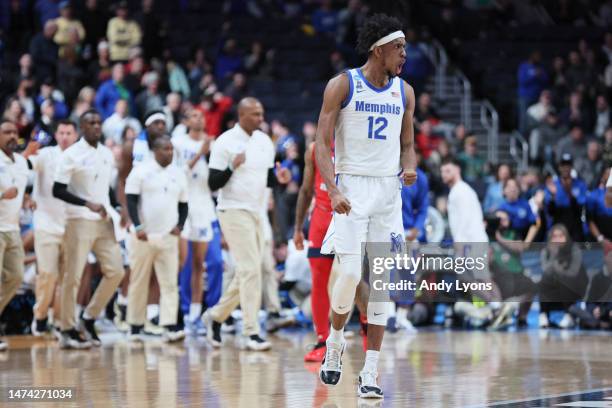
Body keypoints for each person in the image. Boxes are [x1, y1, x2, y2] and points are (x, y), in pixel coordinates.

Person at [315, 14, 417, 399]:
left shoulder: (404, 92)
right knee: (345, 276)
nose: (404, 54)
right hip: (351, 189)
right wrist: (332, 189)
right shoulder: (343, 85)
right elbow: (321, 144)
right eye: (399, 47)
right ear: (379, 49)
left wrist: (409, 166)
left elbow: (408, 145)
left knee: (381, 288)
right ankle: (335, 342)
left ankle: (370, 371)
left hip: (388, 195)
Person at [202, 97, 290, 351]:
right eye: (255, 114)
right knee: (250, 269)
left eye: (261, 113)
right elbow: (212, 183)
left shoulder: (264, 141)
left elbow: (267, 178)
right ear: (241, 115)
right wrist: (231, 166)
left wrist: (280, 179)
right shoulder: (224, 142)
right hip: (232, 209)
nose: (260, 119)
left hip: (257, 211)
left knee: (250, 270)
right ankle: (251, 331)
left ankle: (216, 316)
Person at [52, 109, 125, 349]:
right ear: (82, 128)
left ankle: (89, 317)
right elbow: (58, 190)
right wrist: (86, 203)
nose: (95, 126)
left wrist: (116, 206)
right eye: (90, 123)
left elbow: (108, 187)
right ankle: (66, 328)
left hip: (104, 220)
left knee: (116, 271)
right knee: (72, 276)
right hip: (78, 219)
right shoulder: (71, 154)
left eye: (98, 122)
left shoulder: (105, 153)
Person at [125, 135, 188, 343]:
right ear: (154, 150)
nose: (169, 152)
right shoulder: (141, 171)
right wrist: (138, 226)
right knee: (139, 280)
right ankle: (135, 325)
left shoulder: (178, 174)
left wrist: (180, 226)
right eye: (165, 149)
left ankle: (169, 326)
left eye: (171, 149)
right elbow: (131, 200)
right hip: (145, 236)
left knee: (169, 282)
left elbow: (184, 204)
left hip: (168, 236)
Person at [25, 120, 79, 336]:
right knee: (47, 273)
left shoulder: (82, 157)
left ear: (75, 136)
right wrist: (26, 195)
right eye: (62, 132)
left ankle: (60, 321)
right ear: (56, 135)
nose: (65, 136)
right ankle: (40, 316)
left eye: (69, 132)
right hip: (46, 223)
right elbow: (24, 166)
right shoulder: (46, 155)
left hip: (72, 224)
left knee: (68, 278)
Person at [171, 109, 218, 334]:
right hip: (182, 205)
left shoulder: (214, 144)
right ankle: (177, 311)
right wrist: (200, 153)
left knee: (201, 263)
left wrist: (208, 152)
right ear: (187, 120)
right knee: (182, 262)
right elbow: (177, 174)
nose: (198, 118)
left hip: (203, 206)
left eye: (201, 115)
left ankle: (195, 315)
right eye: (194, 116)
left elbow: (216, 180)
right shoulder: (178, 143)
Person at [0, 120, 28, 351]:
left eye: (14, 132)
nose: (11, 136)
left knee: (16, 277)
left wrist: (27, 199)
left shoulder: (20, 162)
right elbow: (7, 192)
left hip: (13, 228)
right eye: (6, 132)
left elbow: (20, 188)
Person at [539, 224, 588, 329]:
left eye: (561, 236)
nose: (558, 239)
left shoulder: (574, 249)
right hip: (554, 289)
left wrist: (559, 270)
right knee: (544, 279)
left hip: (575, 287)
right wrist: (554, 255)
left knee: (565, 280)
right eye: (555, 236)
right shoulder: (546, 251)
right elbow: (546, 271)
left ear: (566, 237)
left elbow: (573, 272)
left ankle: (568, 315)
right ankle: (543, 314)